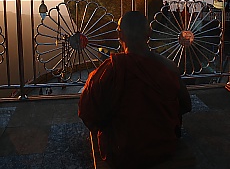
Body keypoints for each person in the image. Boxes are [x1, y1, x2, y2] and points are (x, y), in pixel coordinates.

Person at [78, 11, 192, 169]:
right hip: (163, 145)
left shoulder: (110, 70)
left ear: (119, 34)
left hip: (122, 151)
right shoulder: (168, 67)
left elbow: (87, 113)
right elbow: (186, 105)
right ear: (149, 33)